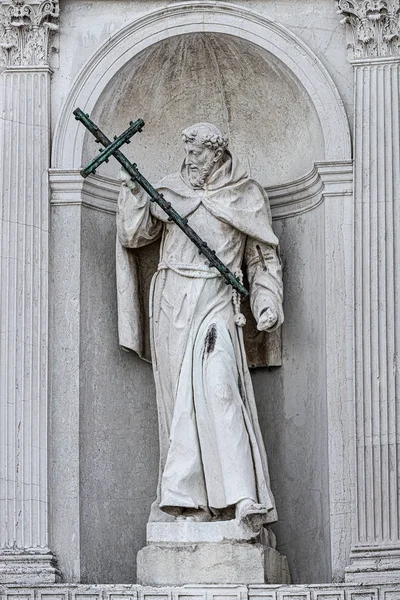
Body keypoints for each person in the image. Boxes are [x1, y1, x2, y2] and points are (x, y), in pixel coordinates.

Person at [116, 123, 284, 531]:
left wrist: (266, 301)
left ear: (216, 153)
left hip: (216, 302)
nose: (189, 160)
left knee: (220, 388)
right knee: (179, 406)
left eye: (197, 153)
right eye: (186, 152)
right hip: (173, 300)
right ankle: (186, 500)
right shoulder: (170, 189)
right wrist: (135, 193)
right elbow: (134, 235)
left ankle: (243, 497)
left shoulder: (245, 196)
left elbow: (261, 260)